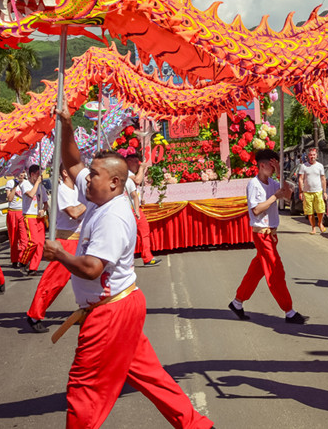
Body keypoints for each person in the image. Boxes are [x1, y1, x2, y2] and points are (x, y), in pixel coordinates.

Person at [46, 106, 214, 429]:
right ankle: (197, 425)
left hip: (110, 314)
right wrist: (67, 125)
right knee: (151, 376)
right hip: (121, 306)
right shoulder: (100, 196)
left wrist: (61, 254)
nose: (85, 177)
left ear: (114, 182)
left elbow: (94, 268)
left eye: (94, 174)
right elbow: (72, 162)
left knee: (83, 390)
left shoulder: (114, 216)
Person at [228, 148, 307, 325]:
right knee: (275, 271)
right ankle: (289, 311)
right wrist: (273, 198)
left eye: (275, 166)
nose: (273, 170)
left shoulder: (272, 182)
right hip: (261, 234)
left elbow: (286, 194)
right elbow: (255, 210)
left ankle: (237, 302)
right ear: (262, 165)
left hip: (271, 234)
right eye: (272, 166)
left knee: (257, 270)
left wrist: (280, 173)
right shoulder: (253, 184)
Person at [25, 166, 86, 333]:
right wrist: (89, 202)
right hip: (66, 242)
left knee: (89, 279)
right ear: (65, 172)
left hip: (81, 242)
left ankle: (90, 312)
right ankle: (34, 314)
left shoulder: (79, 191)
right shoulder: (62, 190)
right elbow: (73, 212)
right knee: (53, 281)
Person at [125, 153, 162, 267]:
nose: (138, 165)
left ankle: (147, 257)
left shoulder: (129, 173)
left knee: (144, 231)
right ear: (129, 162)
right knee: (132, 234)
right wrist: (142, 168)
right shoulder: (126, 173)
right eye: (136, 162)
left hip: (133, 207)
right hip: (129, 208)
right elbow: (137, 180)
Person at [19, 164, 49, 276]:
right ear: (32, 174)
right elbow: (31, 194)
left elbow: (46, 203)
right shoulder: (25, 184)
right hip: (30, 216)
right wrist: (37, 183)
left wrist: (44, 210)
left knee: (40, 244)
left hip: (39, 217)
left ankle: (33, 268)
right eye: (38, 174)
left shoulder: (42, 187)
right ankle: (23, 261)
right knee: (34, 242)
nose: (40, 176)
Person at [299, 148, 327, 234]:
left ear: (316, 156)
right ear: (308, 156)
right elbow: (301, 179)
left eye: (314, 155)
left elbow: (323, 179)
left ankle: (320, 223)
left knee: (320, 210)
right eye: (311, 155)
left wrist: (324, 192)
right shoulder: (304, 166)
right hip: (307, 192)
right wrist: (301, 192)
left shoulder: (320, 166)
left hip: (318, 191)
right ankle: (313, 227)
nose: (312, 157)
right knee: (309, 212)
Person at [5, 171, 26, 268]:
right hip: (12, 212)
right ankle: (14, 259)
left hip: (23, 213)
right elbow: (9, 198)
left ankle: (23, 259)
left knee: (24, 238)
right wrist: (15, 186)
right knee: (13, 238)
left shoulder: (27, 183)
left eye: (23, 172)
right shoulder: (10, 183)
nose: (21, 174)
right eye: (20, 172)